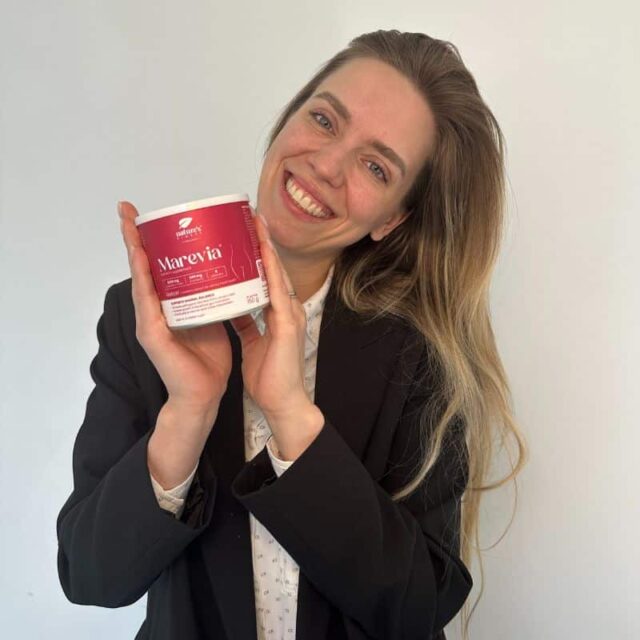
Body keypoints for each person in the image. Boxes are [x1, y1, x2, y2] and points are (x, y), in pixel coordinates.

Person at [56, 30, 527, 640]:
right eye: (324, 120)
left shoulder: (421, 353)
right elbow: (90, 576)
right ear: (288, 119)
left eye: (376, 166)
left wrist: (291, 417)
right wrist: (188, 412)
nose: (326, 166)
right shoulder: (143, 316)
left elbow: (418, 608)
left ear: (391, 218)